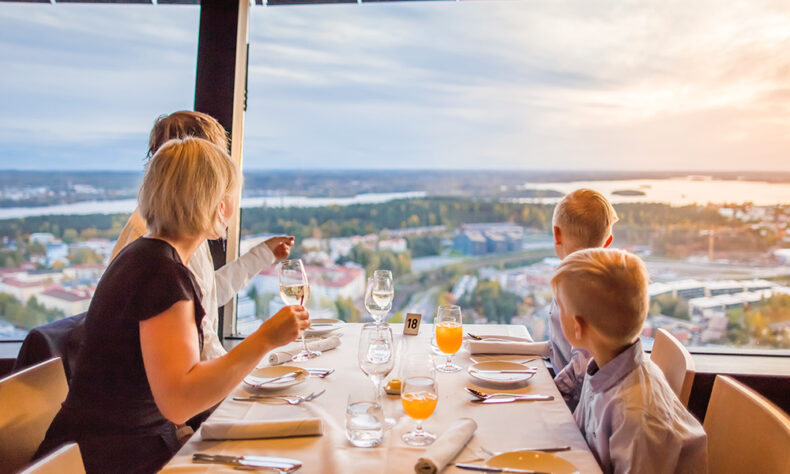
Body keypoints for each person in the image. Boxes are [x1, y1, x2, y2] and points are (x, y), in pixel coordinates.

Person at [36, 138, 311, 474]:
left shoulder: (140, 256)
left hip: (99, 448)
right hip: (114, 459)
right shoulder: (162, 275)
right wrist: (265, 339)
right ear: (218, 204)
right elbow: (180, 401)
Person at [110, 110, 294, 361]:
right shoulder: (155, 251)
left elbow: (204, 294)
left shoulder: (178, 230)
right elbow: (185, 384)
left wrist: (263, 254)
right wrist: (263, 344)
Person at [551, 248, 707, 474]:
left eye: (560, 306)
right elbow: (578, 438)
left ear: (578, 326)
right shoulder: (600, 366)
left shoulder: (637, 418)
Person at [530, 189, 618, 410]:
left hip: (580, 411)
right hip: (578, 400)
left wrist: (549, 395)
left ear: (556, 234)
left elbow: (583, 367)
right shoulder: (587, 281)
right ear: (608, 241)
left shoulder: (584, 290)